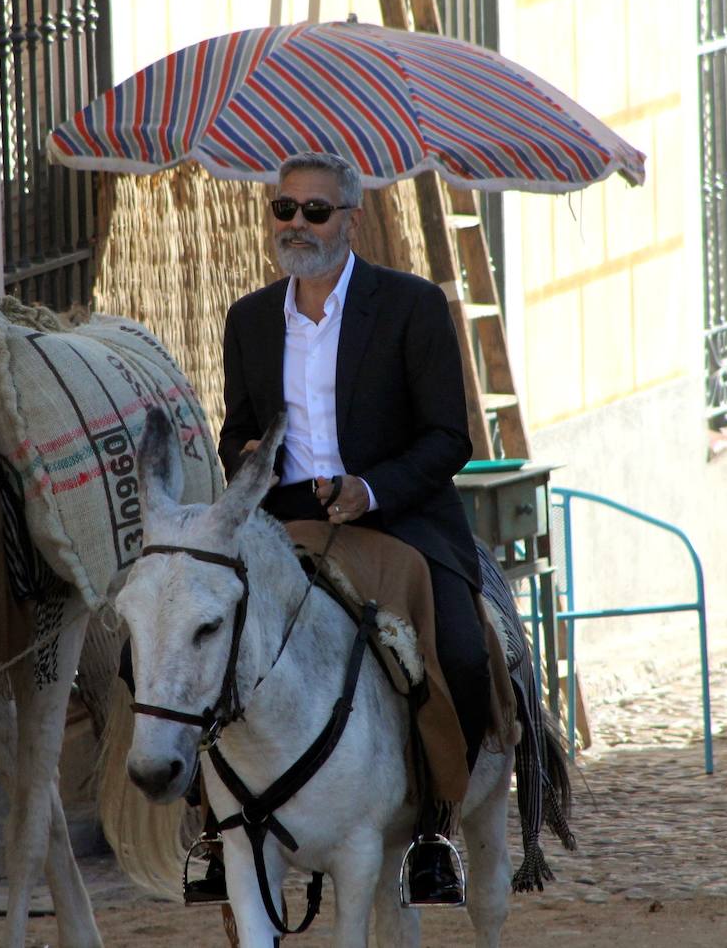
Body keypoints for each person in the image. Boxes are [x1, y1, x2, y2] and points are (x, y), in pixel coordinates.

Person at [215, 151, 490, 905]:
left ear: (350, 220)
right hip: (284, 525)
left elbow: (448, 438)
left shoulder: (410, 306)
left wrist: (370, 490)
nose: (296, 225)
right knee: (188, 638)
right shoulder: (247, 319)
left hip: (397, 520)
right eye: (285, 209)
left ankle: (436, 824)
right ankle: (214, 832)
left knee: (463, 656)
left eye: (315, 211)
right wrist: (247, 458)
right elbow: (236, 429)